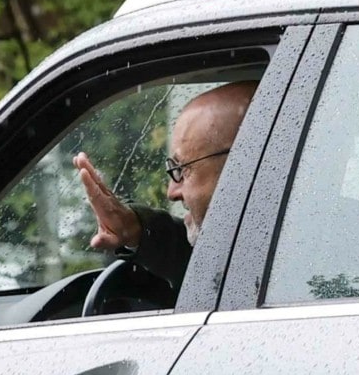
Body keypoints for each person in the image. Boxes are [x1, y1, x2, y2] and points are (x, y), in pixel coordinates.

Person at [72, 81, 256, 290]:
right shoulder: (275, 251)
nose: (172, 192)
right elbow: (202, 262)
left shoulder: (284, 259)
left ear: (240, 166)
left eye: (182, 169)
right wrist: (136, 228)